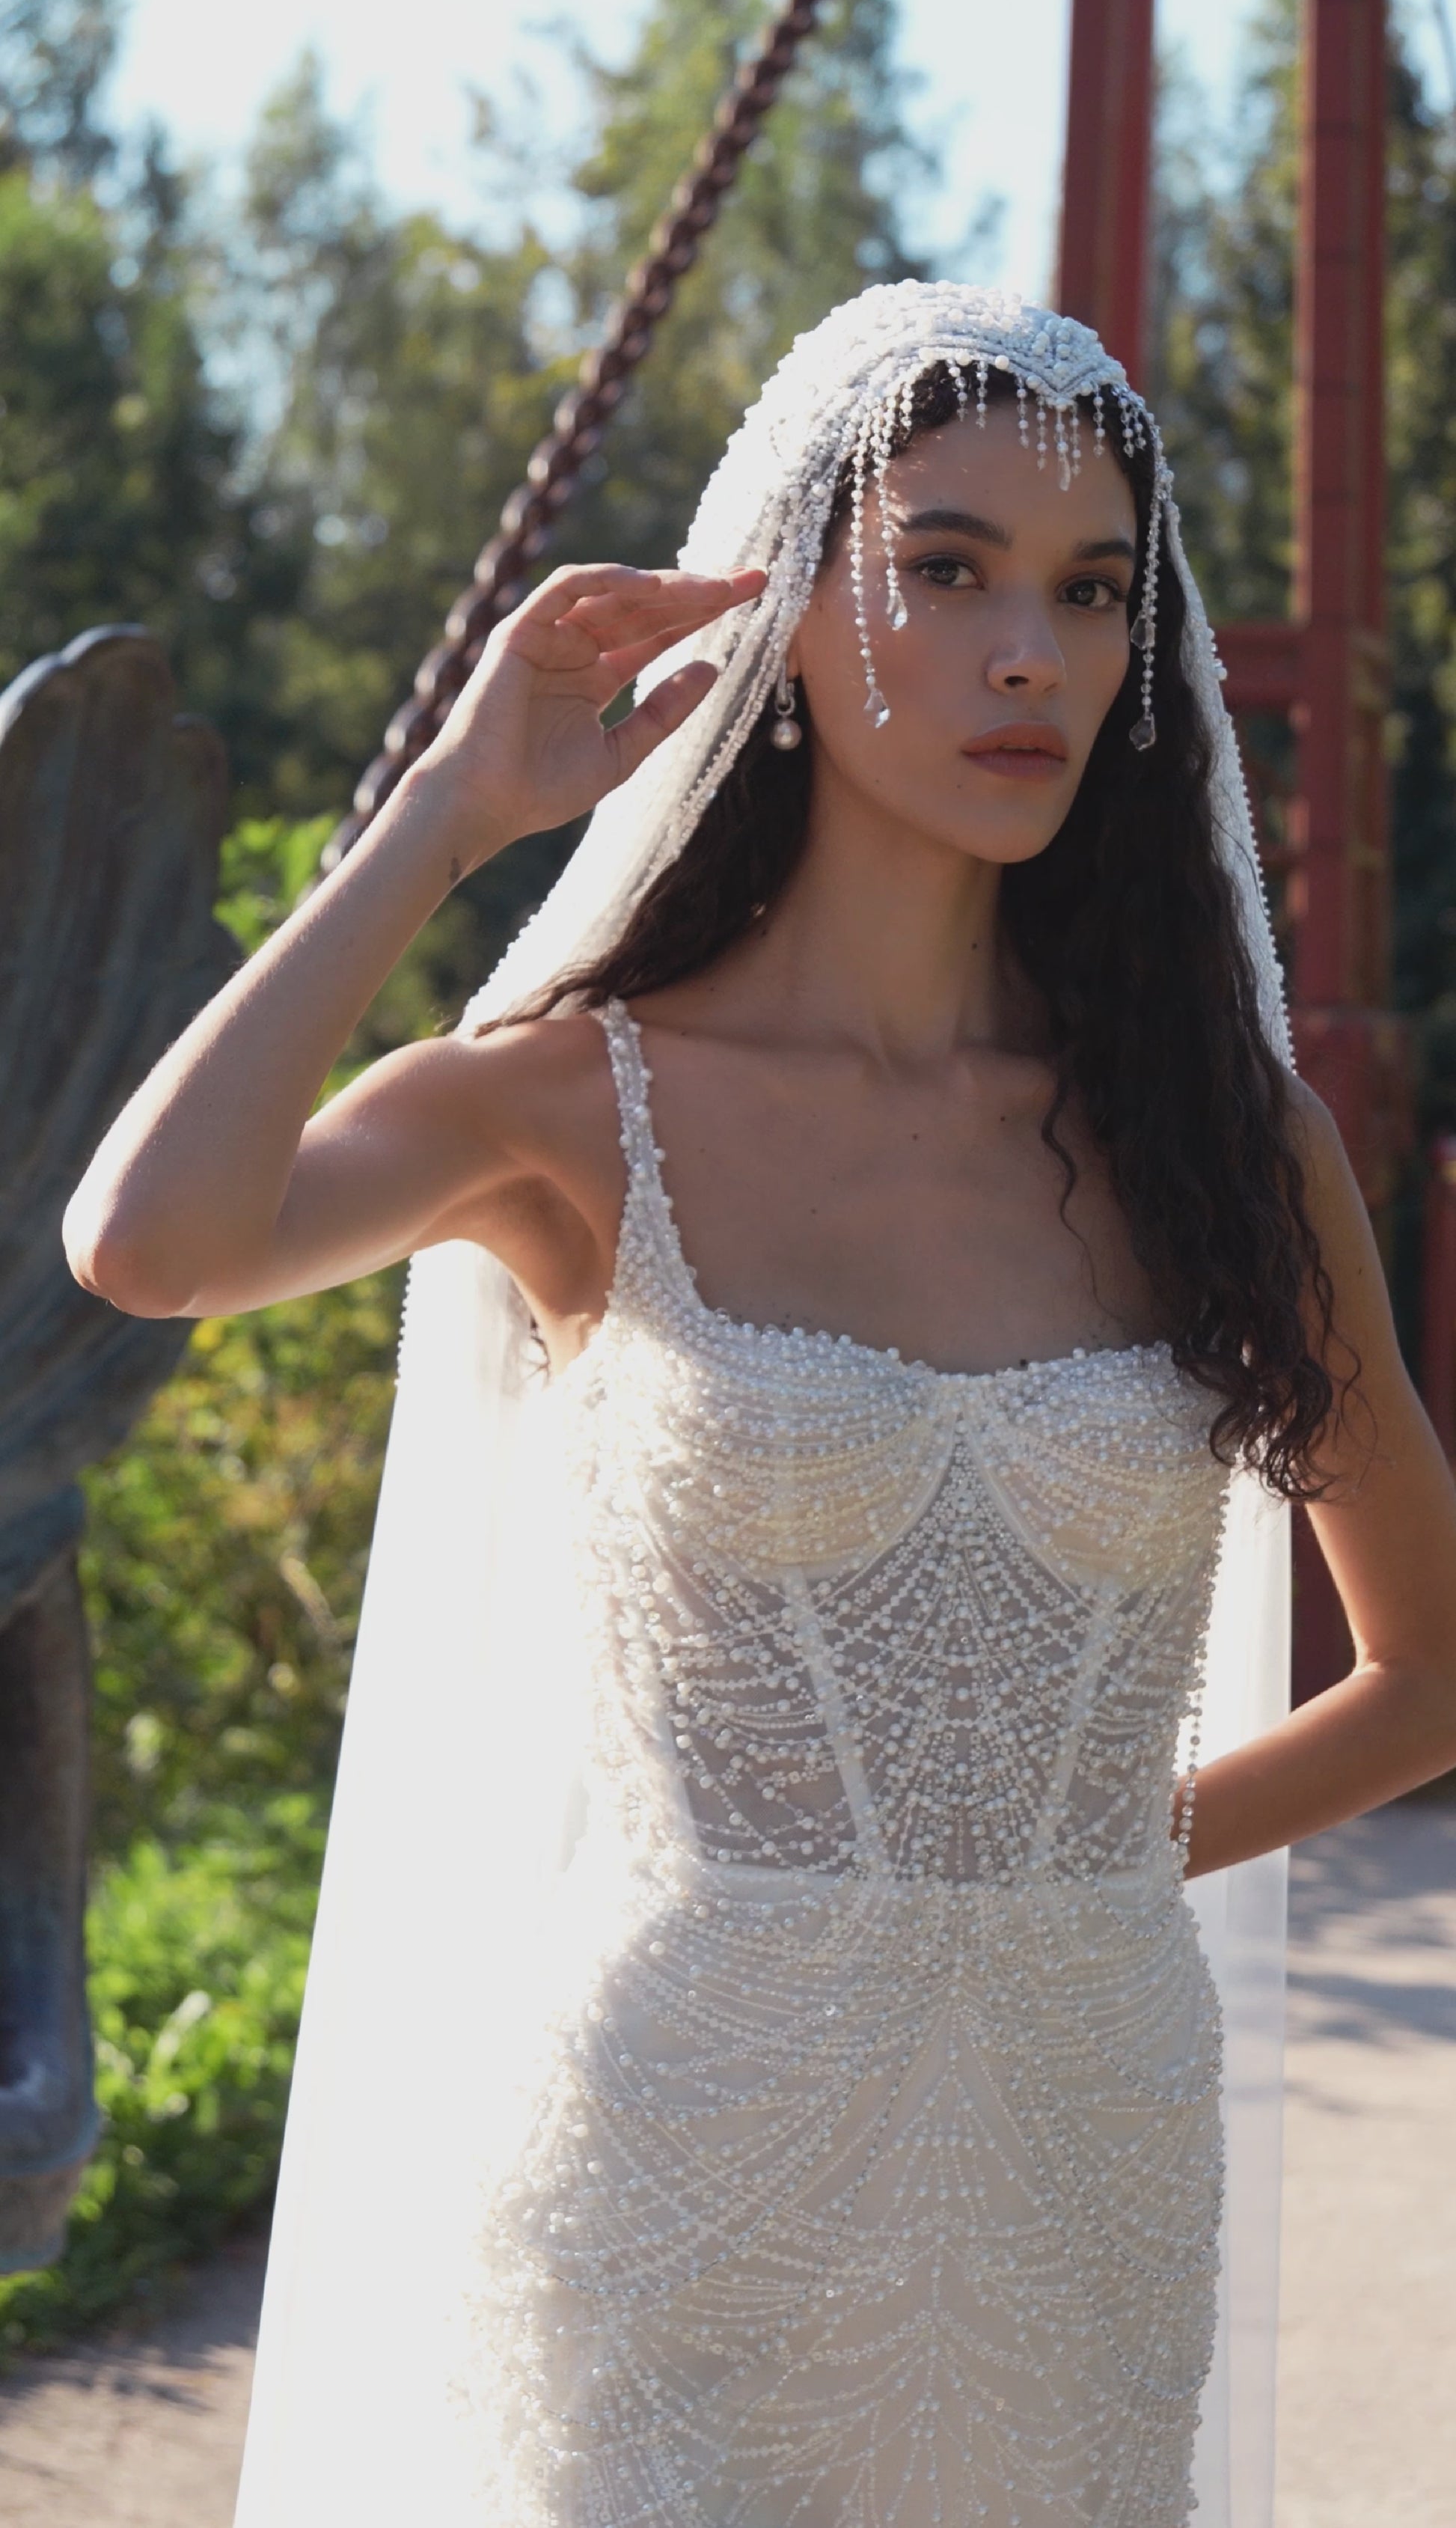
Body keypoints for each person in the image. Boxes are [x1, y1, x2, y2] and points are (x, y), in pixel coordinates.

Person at [65, 284, 1456, 2528]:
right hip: (676, 2163)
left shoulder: (1222, 1135)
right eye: (947, 566)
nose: (1033, 652)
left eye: (1091, 591)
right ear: (781, 613)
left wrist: (1078, 1858)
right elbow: (147, 1242)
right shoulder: (562, 1109)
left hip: (1075, 2166)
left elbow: (1428, 1669)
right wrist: (443, 816)